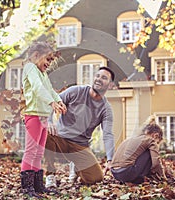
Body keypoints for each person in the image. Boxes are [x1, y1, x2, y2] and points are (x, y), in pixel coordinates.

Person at [44, 66, 115, 187]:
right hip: (60, 138)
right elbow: (53, 101)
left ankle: (76, 167)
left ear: (110, 85)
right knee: (44, 131)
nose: (99, 79)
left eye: (104, 78)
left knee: (96, 178)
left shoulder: (106, 109)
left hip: (80, 145)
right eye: (97, 76)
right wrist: (49, 121)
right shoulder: (76, 91)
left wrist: (110, 159)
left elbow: (107, 134)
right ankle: (50, 175)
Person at [20, 41, 67, 197]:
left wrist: (58, 100)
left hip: (43, 117)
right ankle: (27, 187)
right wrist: (51, 102)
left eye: (50, 61)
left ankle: (37, 184)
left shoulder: (43, 73)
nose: (48, 64)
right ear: (36, 55)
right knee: (31, 150)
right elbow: (37, 88)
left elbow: (49, 90)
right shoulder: (30, 68)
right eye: (47, 59)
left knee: (39, 152)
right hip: (33, 115)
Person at [110, 118, 167, 184]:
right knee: (150, 153)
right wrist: (163, 177)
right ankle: (141, 179)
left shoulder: (130, 139)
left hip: (115, 173)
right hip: (126, 173)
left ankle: (137, 179)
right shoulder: (150, 140)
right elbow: (156, 163)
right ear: (155, 135)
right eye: (158, 142)